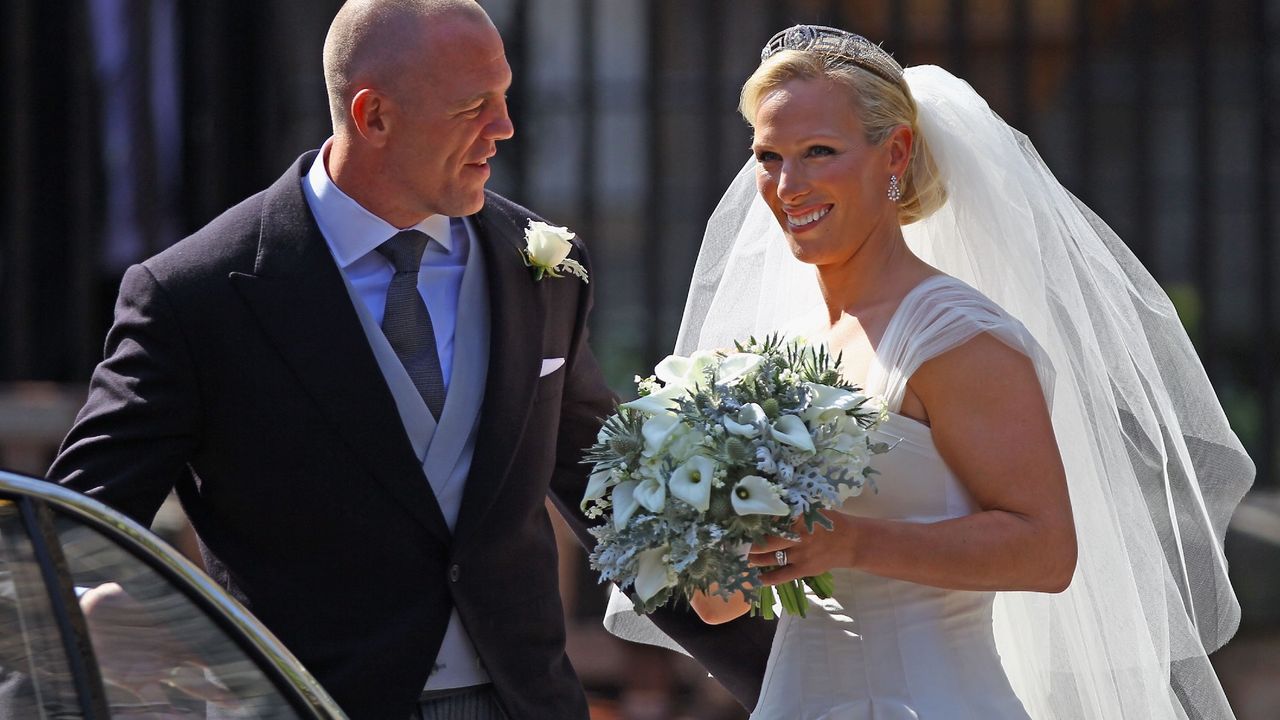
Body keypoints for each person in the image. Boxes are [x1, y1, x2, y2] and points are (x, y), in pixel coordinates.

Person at [45, 2, 771, 718]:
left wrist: (792, 685)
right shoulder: (194, 298)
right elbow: (70, 535)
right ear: (374, 117)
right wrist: (112, 628)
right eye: (473, 107)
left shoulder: (542, 266)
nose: (505, 129)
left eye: (506, 97)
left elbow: (609, 496)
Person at [615, 25, 1251, 719]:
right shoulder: (774, 353)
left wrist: (852, 542)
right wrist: (695, 519)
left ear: (894, 153)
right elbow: (720, 605)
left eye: (818, 152)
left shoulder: (957, 337)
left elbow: (1046, 550)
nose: (787, 186)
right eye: (769, 157)